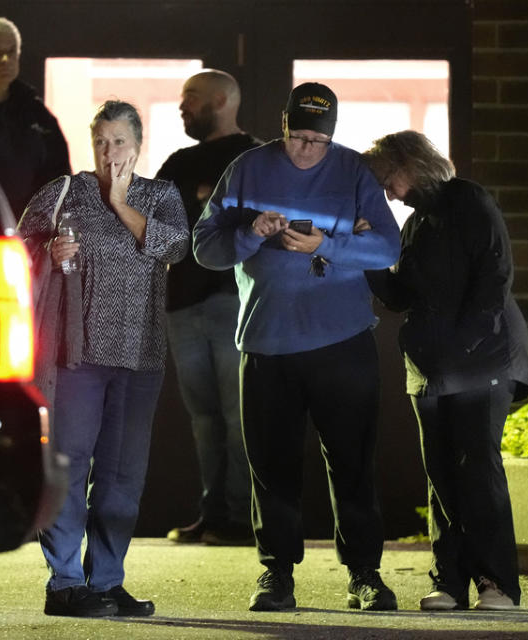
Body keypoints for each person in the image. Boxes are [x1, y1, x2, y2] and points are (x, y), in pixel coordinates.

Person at [193, 82, 401, 612]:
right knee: (271, 463)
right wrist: (250, 232)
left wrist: (326, 244)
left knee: (351, 462)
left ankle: (364, 575)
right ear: (283, 126)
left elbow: (387, 247)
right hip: (268, 341)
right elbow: (205, 248)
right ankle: (276, 574)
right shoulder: (246, 168)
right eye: (298, 137)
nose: (307, 149)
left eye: (317, 140)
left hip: (343, 339)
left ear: (331, 137)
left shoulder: (353, 170)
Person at [18, 100, 189, 618]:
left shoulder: (159, 196)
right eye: (101, 141)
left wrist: (119, 201)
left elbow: (176, 247)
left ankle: (108, 581)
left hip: (140, 354)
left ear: (138, 145)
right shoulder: (63, 192)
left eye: (119, 142)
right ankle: (65, 583)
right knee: (69, 467)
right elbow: (16, 246)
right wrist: (47, 252)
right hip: (77, 353)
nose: (109, 151)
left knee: (121, 477)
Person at [361, 130, 528, 611]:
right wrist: (366, 257)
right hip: (433, 366)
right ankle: (451, 583)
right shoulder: (416, 224)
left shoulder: (468, 200)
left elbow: (494, 277)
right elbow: (399, 296)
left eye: (386, 179)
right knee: (440, 474)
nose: (387, 192)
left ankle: (498, 584)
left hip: (483, 360)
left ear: (410, 163)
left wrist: (463, 346)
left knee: (477, 468)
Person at [155, 70, 261, 547]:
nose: (183, 106)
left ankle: (239, 517)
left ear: (221, 100)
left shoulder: (255, 157)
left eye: (191, 98)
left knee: (238, 415)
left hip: (231, 300)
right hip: (182, 304)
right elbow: (156, 223)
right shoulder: (178, 162)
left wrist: (201, 206)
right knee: (204, 417)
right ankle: (211, 512)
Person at [0, 16, 71, 215]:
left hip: (27, 232)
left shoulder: (38, 115)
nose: (5, 60)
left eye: (11, 52)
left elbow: (60, 179)